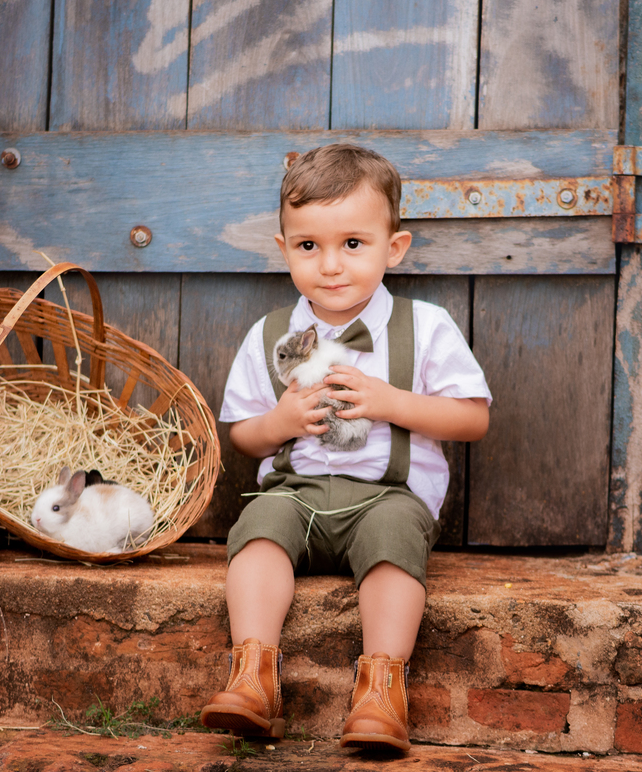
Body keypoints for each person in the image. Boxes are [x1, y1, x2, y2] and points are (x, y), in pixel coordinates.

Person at [199, 143, 492, 750]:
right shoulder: (268, 335)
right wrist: (280, 420)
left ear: (395, 246)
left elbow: (471, 420)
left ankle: (381, 691)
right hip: (297, 495)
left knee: (391, 544)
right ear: (285, 251)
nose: (331, 265)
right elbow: (242, 435)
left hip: (388, 498)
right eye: (309, 246)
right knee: (257, 530)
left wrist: (390, 402)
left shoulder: (427, 325)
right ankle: (253, 675)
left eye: (353, 244)